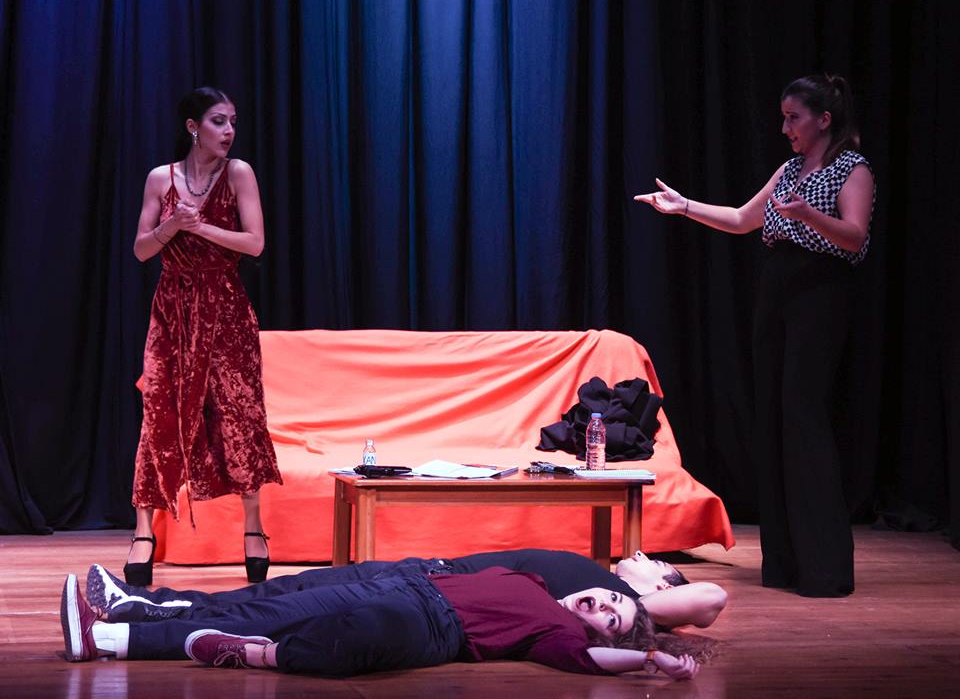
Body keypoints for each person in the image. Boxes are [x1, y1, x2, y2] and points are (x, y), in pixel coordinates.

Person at [635, 73, 875, 598]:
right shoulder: (789, 170)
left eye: (793, 118)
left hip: (820, 292)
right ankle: (786, 563)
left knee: (803, 417)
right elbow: (745, 218)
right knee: (773, 417)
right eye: (783, 117)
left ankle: (825, 568)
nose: (785, 128)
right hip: (778, 289)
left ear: (824, 119)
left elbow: (855, 237)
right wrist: (685, 206)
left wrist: (809, 215)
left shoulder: (851, 168)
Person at [128, 87, 283, 586]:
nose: (229, 130)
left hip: (225, 308)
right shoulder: (161, 178)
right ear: (193, 127)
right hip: (172, 310)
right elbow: (141, 250)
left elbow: (255, 243)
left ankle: (253, 527)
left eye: (233, 121)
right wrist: (173, 224)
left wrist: (199, 229)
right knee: (159, 411)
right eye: (219, 121)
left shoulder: (238, 173)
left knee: (239, 414)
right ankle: (143, 532)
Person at [60, 568, 700, 680]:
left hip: (430, 624)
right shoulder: (537, 582)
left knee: (341, 638)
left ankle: (106, 639)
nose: (601, 608)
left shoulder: (560, 637)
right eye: (609, 599)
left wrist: (650, 658)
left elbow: (593, 663)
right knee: (267, 608)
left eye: (611, 620)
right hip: (405, 584)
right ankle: (124, 618)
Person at [84, 548, 727, 631]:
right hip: (423, 571)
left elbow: (712, 600)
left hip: (426, 591)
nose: (640, 554)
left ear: (663, 584)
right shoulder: (603, 583)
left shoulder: (620, 599)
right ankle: (150, 603)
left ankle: (141, 614)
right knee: (290, 588)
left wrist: (649, 598)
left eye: (653, 562)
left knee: (282, 608)